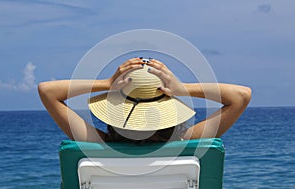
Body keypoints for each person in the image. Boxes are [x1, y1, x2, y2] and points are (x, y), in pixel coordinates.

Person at [38, 58, 251, 143]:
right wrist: (183, 89)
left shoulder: (100, 145)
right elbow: (241, 96)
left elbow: (47, 91)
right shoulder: (185, 143)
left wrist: (106, 83)